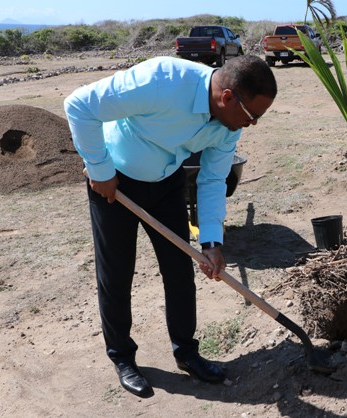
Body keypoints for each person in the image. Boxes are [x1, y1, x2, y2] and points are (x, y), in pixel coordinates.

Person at [64, 55, 277, 398]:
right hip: (115, 185)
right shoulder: (161, 81)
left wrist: (210, 241)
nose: (251, 125)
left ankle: (187, 353)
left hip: (166, 184)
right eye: (253, 117)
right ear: (227, 98)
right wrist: (101, 171)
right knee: (116, 274)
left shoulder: (226, 126)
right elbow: (79, 105)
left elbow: (212, 179)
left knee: (180, 271)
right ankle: (122, 357)